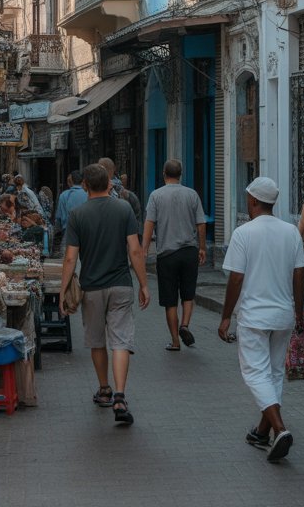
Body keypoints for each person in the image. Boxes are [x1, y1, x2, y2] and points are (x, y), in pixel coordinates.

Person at [218, 176, 304, 464]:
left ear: (253, 201)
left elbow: (236, 278)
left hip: (255, 315)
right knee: (275, 373)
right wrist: (300, 312)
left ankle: (280, 428)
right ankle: (261, 431)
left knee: (255, 373)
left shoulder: (244, 233)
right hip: (283, 315)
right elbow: (299, 275)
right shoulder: (291, 232)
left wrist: (226, 316)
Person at [60, 162, 150, 426]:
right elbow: (135, 250)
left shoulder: (77, 214)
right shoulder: (123, 209)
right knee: (121, 341)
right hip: (121, 284)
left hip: (92, 287)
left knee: (97, 340)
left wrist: (62, 289)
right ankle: (121, 396)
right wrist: (144, 284)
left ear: (85, 185)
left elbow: (69, 258)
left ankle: (104, 390)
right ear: (109, 183)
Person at [142, 159, 206, 351]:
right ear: (181, 175)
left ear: (164, 174)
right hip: (189, 252)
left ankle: (175, 341)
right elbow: (201, 223)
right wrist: (202, 247)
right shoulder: (192, 194)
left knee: (170, 300)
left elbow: (149, 223)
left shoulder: (156, 196)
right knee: (188, 294)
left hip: (167, 255)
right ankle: (184, 325)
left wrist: (143, 248)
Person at [54, 171, 87, 252]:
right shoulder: (88, 194)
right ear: (82, 181)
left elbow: (58, 218)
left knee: (68, 258)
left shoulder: (64, 195)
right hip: (87, 233)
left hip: (68, 233)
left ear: (70, 182)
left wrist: (56, 236)